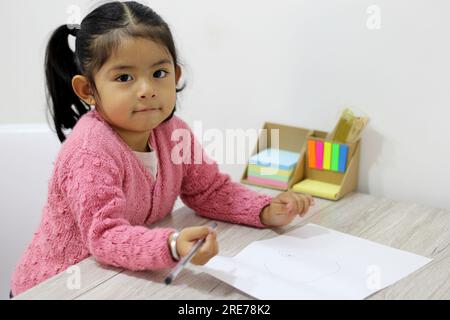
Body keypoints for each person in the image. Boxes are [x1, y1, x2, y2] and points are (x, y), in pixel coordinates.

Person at [10, 1, 313, 297]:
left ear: (176, 75)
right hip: (59, 286)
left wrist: (264, 210)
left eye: (158, 73)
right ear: (88, 90)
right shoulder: (90, 150)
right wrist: (171, 245)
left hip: (119, 279)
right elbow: (104, 236)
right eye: (124, 77)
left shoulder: (173, 132)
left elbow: (209, 191)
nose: (147, 89)